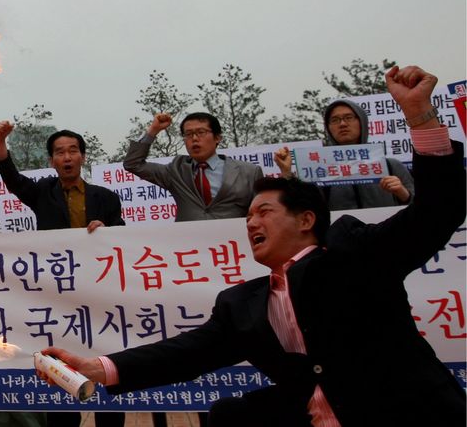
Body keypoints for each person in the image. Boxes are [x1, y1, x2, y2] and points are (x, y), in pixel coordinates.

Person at [40, 66, 466, 426]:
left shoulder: (356, 256)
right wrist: (98, 367)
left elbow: (436, 214)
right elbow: (185, 354)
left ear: (306, 220)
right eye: (248, 216)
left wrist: (420, 117)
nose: (251, 222)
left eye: (263, 212)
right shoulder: (242, 305)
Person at [0, 122, 125, 427]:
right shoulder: (42, 193)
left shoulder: (106, 197)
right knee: (62, 375)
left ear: (82, 157)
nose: (67, 157)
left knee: (105, 370)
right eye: (60, 152)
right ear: (52, 160)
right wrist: (0, 142)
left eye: (72, 151)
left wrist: (108, 232)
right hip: (57, 298)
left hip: (99, 296)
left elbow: (123, 237)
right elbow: (12, 179)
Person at [273, 99, 414, 209]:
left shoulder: (391, 166)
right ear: (328, 127)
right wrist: (286, 173)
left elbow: (420, 206)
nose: (342, 124)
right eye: (335, 120)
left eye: (348, 117)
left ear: (362, 122)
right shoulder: (319, 171)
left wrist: (402, 193)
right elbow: (302, 208)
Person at [124, 112, 264, 221]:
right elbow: (133, 164)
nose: (195, 139)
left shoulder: (249, 172)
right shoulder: (176, 171)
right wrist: (153, 130)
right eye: (189, 134)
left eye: (201, 132)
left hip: (236, 248)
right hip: (192, 249)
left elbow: (263, 211)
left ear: (217, 138)